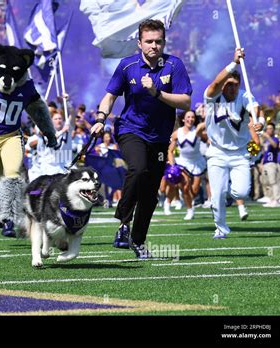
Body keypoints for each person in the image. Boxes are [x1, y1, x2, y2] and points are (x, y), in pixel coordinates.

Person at [90, 19, 192, 258]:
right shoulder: (127, 66)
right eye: (149, 41)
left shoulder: (174, 65)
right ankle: (123, 224)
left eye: (158, 41)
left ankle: (138, 240)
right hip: (130, 129)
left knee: (150, 192)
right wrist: (101, 117)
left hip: (159, 137)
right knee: (137, 169)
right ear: (139, 43)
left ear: (164, 42)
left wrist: (157, 92)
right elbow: (109, 96)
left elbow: (186, 102)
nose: (154, 46)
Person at [203, 48, 264, 239]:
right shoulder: (212, 97)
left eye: (235, 85)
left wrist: (259, 121)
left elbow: (256, 108)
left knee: (241, 192)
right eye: (228, 84)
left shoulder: (244, 96)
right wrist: (234, 63)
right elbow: (215, 83)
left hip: (239, 153)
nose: (232, 88)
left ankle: (230, 191)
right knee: (217, 195)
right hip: (217, 152)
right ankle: (220, 228)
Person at [167, 110, 206, 220]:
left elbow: (208, 138)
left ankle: (189, 202)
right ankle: (189, 210)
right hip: (183, 162)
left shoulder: (197, 131)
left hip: (197, 162)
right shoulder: (177, 133)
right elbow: (170, 151)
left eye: (193, 117)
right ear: (183, 119)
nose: (190, 119)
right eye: (188, 117)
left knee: (194, 191)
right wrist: (172, 165)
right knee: (185, 186)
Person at [260, 122, 280, 207]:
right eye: (268, 128)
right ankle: (271, 199)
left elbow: (275, 145)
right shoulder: (265, 140)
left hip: (272, 163)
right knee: (266, 182)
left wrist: (267, 136)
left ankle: (276, 200)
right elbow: (264, 152)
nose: (269, 130)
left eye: (270, 128)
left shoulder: (274, 139)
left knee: (273, 182)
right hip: (266, 163)